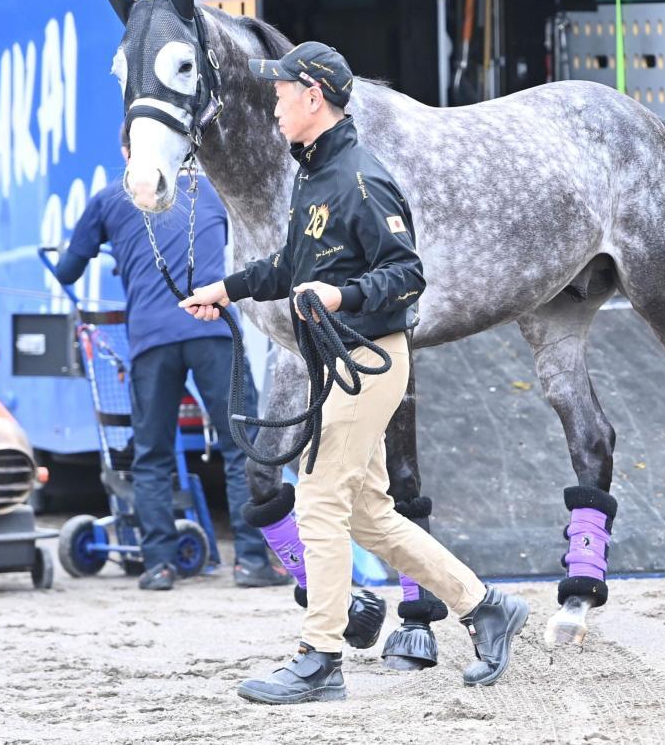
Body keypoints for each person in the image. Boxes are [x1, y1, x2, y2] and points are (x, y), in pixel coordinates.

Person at [180, 41, 529, 703]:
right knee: (370, 516)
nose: (274, 103)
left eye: (282, 92)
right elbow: (288, 268)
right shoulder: (313, 175)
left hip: (367, 362)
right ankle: (486, 608)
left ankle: (320, 656)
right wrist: (224, 289)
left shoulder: (363, 177)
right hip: (340, 366)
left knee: (316, 499)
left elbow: (408, 273)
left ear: (314, 97)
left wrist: (343, 296)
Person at [55, 127, 289, 591]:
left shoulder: (107, 199)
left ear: (126, 152)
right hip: (213, 331)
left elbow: (67, 270)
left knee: (152, 455)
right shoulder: (213, 192)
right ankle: (250, 562)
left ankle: (159, 565)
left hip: (150, 341)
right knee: (241, 444)